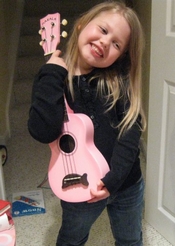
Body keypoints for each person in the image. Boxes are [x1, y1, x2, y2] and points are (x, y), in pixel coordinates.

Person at [28, 1, 146, 245]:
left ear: (120, 56)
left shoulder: (117, 80)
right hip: (78, 183)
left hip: (125, 183)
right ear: (82, 24)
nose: (105, 42)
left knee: (130, 240)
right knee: (72, 239)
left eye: (116, 44)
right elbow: (43, 130)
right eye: (103, 30)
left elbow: (130, 133)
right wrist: (51, 75)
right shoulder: (52, 78)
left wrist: (113, 181)